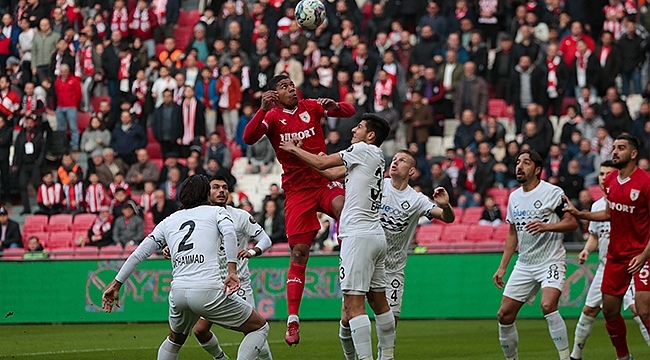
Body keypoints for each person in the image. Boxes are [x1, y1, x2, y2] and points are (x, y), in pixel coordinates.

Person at [102, 175, 270, 360]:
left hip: (179, 292)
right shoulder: (217, 213)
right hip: (208, 290)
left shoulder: (169, 220)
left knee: (174, 340)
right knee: (259, 327)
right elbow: (229, 233)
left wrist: (116, 284)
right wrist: (232, 271)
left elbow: (139, 253)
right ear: (207, 193)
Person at [242, 74, 355, 345]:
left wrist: (334, 106)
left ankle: (350, 263)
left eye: (291, 85)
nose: (291, 89)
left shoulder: (311, 106)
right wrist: (261, 109)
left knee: (345, 210)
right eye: (283, 87)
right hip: (297, 191)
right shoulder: (272, 117)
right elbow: (248, 137)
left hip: (324, 181)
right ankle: (293, 320)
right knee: (299, 252)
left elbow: (350, 111)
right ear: (275, 94)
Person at [280, 114, 396, 360]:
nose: (354, 129)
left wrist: (293, 149)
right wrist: (312, 160)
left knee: (354, 306)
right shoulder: (374, 157)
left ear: (371, 135)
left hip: (358, 236)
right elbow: (331, 174)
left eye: (360, 127)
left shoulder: (362, 149)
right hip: (375, 235)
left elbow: (324, 165)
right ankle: (387, 356)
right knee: (379, 303)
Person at [164, 175, 274, 360]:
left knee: (254, 329)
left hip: (237, 284)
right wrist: (172, 249)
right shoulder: (201, 217)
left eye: (224, 187)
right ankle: (221, 358)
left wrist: (252, 251)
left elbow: (265, 239)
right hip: (211, 283)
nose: (221, 191)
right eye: (216, 187)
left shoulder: (240, 216)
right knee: (200, 330)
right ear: (207, 192)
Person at [564, 134, 650, 360]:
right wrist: (581, 214)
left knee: (643, 309)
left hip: (642, 255)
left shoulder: (646, 183)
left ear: (633, 154)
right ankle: (623, 356)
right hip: (615, 257)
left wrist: (644, 254)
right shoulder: (611, 182)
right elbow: (609, 214)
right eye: (614, 147)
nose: (615, 151)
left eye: (621, 148)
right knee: (610, 310)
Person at [493, 150, 579, 360]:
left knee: (548, 305)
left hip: (550, 259)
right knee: (504, 315)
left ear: (538, 169)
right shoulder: (514, 197)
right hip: (525, 263)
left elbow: (572, 222)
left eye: (526, 162)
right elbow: (512, 233)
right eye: (518, 162)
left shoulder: (553, 192)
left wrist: (547, 227)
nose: (519, 166)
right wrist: (503, 266)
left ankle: (565, 358)